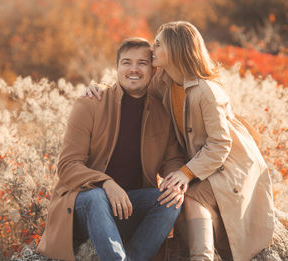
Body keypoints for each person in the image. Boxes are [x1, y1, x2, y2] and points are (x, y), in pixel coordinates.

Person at [86, 21, 274, 261]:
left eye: (158, 44)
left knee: (192, 195)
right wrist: (100, 90)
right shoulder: (164, 80)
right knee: (174, 195)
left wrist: (185, 173)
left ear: (175, 49)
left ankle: (202, 257)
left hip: (231, 164)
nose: (151, 49)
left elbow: (220, 145)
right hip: (204, 161)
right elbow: (133, 84)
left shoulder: (207, 90)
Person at [37, 37, 187, 261]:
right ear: (117, 68)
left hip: (129, 206)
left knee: (170, 199)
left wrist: (176, 181)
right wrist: (106, 183)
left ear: (153, 70)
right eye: (126, 62)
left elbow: (172, 159)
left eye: (142, 63)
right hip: (83, 206)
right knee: (97, 197)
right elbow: (67, 166)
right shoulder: (91, 104)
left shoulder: (161, 112)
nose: (133, 69)